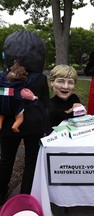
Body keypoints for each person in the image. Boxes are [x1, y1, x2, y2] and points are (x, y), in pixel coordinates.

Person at [0, 30, 49, 205]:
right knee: (31, 162)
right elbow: (45, 104)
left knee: (5, 161)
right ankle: (26, 196)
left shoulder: (3, 77)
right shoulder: (41, 79)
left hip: (7, 123)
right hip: (33, 126)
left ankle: (1, 193)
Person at [0, 61, 38, 133]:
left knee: (1, 116)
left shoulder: (3, 88)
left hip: (2, 108)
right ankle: (15, 126)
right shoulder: (19, 88)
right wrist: (34, 97)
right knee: (20, 118)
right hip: (15, 109)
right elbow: (27, 95)